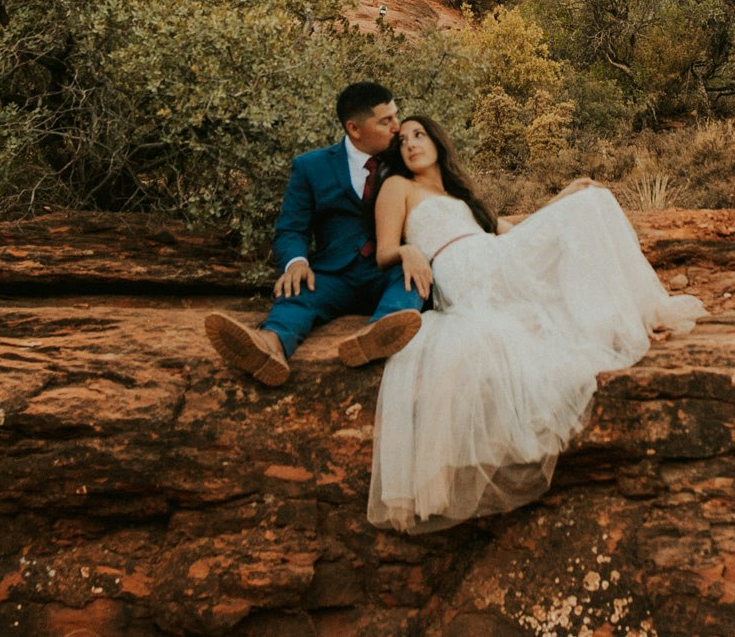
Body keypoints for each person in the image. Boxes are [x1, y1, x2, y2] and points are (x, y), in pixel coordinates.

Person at [365, 114, 705, 532]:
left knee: (589, 200)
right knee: (583, 215)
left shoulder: (459, 196)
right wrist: (407, 252)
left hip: (494, 256)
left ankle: (638, 312)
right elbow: (383, 250)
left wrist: (560, 199)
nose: (411, 144)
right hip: (462, 274)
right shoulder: (399, 187)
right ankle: (635, 314)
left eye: (420, 135)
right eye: (403, 141)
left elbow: (511, 233)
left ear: (437, 140)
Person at [202, 81, 429, 386]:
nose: (397, 127)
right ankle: (269, 345)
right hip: (333, 274)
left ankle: (377, 334)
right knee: (298, 291)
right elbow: (291, 228)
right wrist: (296, 262)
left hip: (385, 267)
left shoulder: (406, 160)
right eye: (385, 120)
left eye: (396, 115)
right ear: (354, 129)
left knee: (410, 280)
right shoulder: (311, 166)